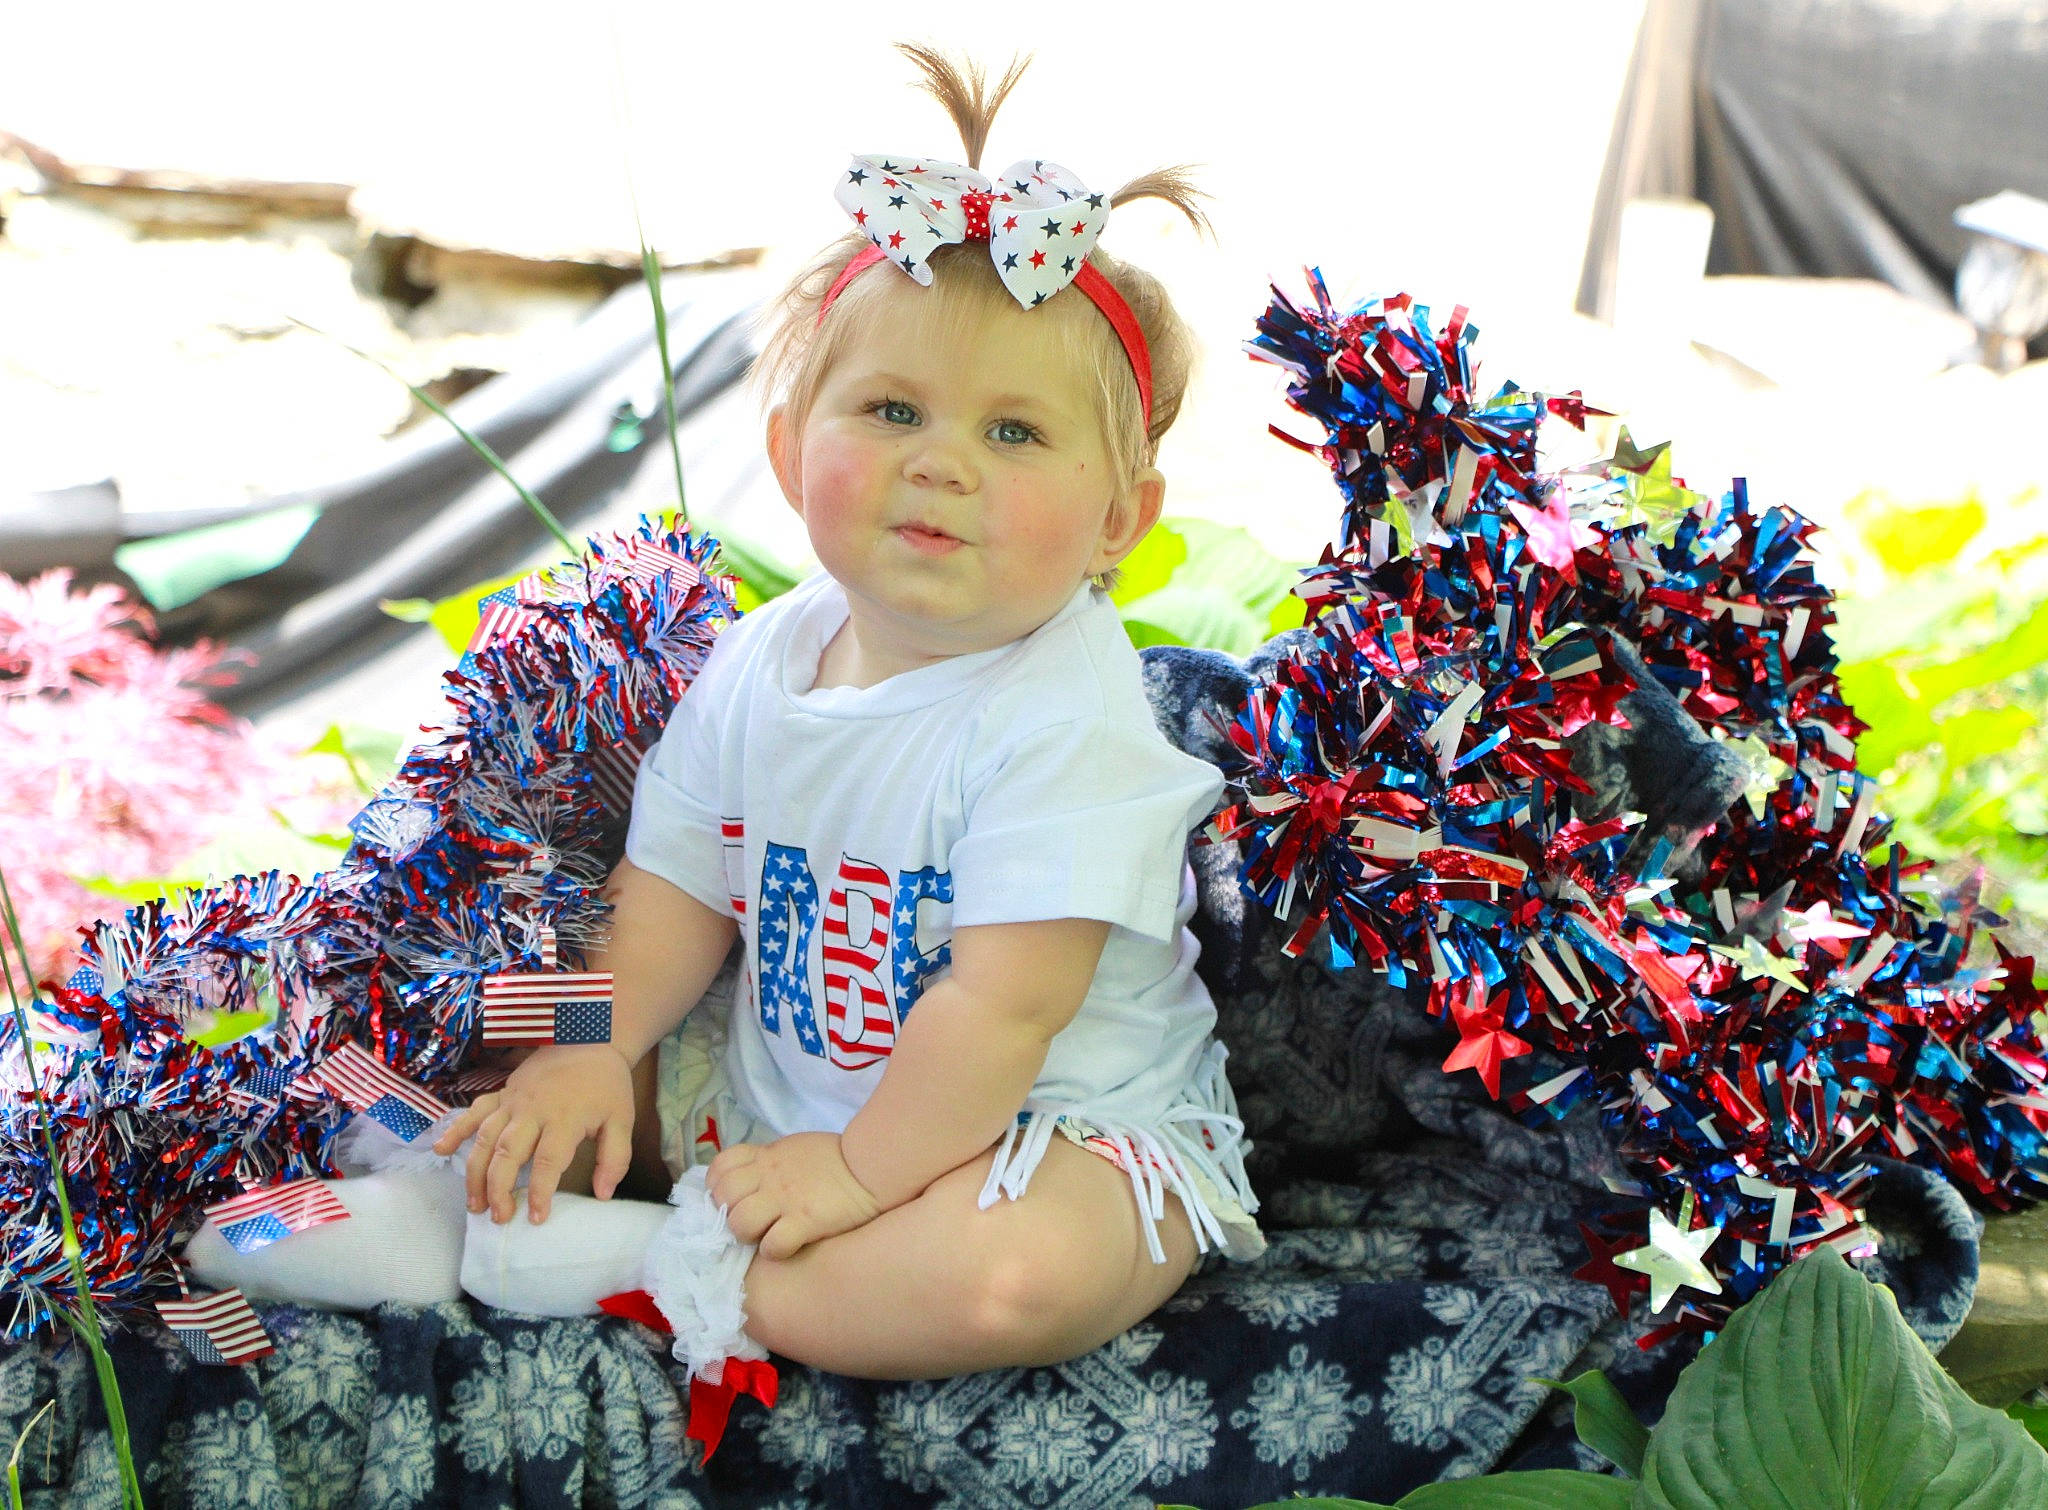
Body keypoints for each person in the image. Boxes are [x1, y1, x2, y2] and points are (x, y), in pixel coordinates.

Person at [189, 44, 1260, 1385]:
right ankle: (442, 1193)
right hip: (781, 1087)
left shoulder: (1068, 720)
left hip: (1043, 1122)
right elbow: (674, 884)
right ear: (787, 445)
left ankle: (632, 1261)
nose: (941, 459)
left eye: (1015, 435)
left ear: (1121, 520)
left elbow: (1001, 1011)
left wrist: (858, 1170)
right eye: (892, 408)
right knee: (550, 1007)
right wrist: (603, 1047)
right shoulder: (766, 656)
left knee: (1010, 1280)